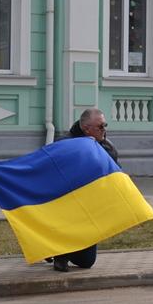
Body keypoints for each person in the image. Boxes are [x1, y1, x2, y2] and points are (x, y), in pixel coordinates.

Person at [51, 108, 117, 272]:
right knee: (67, 226)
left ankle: (55, 248)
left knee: (87, 262)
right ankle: (59, 254)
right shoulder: (64, 144)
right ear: (87, 128)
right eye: (100, 127)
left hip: (90, 206)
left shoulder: (106, 146)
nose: (104, 130)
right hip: (68, 204)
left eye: (105, 125)